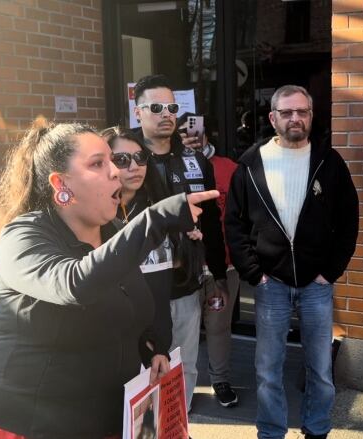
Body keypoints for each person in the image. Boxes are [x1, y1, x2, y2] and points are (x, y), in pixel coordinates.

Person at [0, 121, 218, 438]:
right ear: (60, 183)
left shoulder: (112, 232)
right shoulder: (22, 237)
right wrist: (157, 219)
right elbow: (74, 284)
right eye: (97, 164)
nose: (115, 171)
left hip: (108, 417)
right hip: (31, 423)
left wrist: (150, 348)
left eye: (112, 161)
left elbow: (130, 308)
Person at [225, 85, 359, 439]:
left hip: (316, 285)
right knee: (268, 369)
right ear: (273, 118)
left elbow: (349, 221)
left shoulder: (330, 163)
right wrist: (254, 272)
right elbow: (235, 224)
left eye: (302, 111)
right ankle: (271, 433)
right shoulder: (250, 165)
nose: (295, 118)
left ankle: (316, 429)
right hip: (272, 285)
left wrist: (330, 271)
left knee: (320, 369)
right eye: (287, 112)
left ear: (311, 116)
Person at [132, 74, 229, 413]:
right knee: (145, 370)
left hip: (186, 283)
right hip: (139, 288)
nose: (166, 114)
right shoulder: (122, 157)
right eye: (156, 107)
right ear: (138, 110)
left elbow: (212, 221)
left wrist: (216, 274)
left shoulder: (196, 160)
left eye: (172, 107)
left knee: (185, 364)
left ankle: (178, 424)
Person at [102, 126, 175, 368]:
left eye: (140, 157)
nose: (134, 167)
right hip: (108, 344)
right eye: (122, 160)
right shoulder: (93, 217)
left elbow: (160, 286)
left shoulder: (156, 211)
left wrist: (159, 343)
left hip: (154, 342)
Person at [181, 125, 241, 408]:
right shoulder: (167, 166)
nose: (191, 136)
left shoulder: (229, 167)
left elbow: (243, 215)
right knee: (184, 332)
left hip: (224, 266)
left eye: (195, 129)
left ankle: (220, 380)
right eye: (183, 132)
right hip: (183, 270)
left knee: (218, 327)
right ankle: (181, 389)